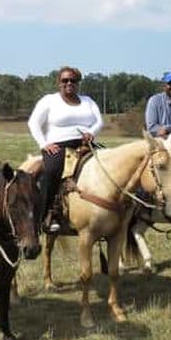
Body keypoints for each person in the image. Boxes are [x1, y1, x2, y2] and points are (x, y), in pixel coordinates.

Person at [28, 66, 104, 233]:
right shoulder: (49, 100)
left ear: (78, 83)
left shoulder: (88, 101)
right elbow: (34, 123)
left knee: (110, 167)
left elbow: (99, 121)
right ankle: (48, 213)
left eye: (73, 80)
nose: (69, 83)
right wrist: (44, 144)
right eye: (65, 80)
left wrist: (91, 132)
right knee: (51, 171)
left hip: (85, 145)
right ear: (59, 83)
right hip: (58, 146)